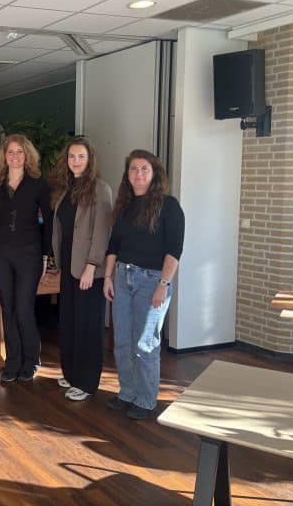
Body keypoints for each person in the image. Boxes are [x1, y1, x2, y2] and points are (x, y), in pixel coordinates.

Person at [103, 150, 184, 420]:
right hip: (122, 278)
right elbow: (114, 245)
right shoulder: (124, 205)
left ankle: (147, 399)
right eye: (133, 169)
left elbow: (174, 250)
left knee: (145, 343)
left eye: (144, 169)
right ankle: (127, 392)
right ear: (127, 175)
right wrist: (108, 277)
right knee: (122, 342)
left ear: (154, 173)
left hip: (152, 281)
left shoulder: (169, 206)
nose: (138, 174)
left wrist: (163, 284)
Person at [0, 134, 52, 383]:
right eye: (10, 152)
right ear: (4, 156)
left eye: (19, 152)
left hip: (29, 253)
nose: (15, 156)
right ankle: (12, 361)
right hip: (0, 252)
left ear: (27, 155)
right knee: (8, 307)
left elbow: (49, 222)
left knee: (23, 308)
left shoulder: (38, 184)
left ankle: (31, 360)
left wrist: (45, 255)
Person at [51, 137, 112, 402]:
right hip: (68, 266)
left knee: (88, 326)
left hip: (88, 270)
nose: (75, 161)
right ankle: (72, 373)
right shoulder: (67, 189)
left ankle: (86, 382)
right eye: (72, 156)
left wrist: (92, 265)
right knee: (70, 322)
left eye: (81, 157)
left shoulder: (100, 189)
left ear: (90, 160)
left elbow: (102, 231)